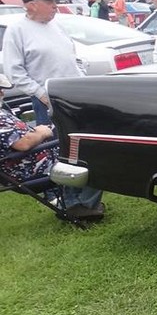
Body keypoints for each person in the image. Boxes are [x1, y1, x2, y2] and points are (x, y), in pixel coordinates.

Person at [0, 39, 105, 221]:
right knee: (96, 156)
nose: (2, 93)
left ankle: (75, 202)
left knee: (87, 143)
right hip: (28, 169)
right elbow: (22, 144)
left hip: (42, 153)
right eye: (0, 89)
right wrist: (41, 133)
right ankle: (82, 206)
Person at [2, 0, 82, 125]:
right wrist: (41, 94)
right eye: (49, 1)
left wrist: (81, 77)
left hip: (75, 94)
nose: (55, 5)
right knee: (56, 143)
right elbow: (14, 72)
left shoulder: (56, 25)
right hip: (46, 101)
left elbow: (73, 56)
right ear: (32, 5)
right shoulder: (17, 31)